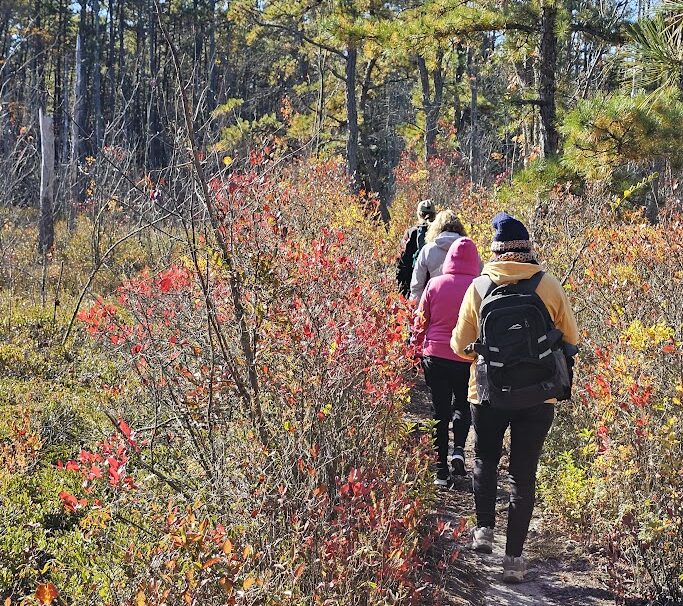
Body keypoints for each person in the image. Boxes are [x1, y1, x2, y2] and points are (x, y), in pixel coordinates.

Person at [451, 212, 579, 584]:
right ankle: (514, 561)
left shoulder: (478, 288)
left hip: (488, 393)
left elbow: (460, 346)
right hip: (540, 396)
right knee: (524, 476)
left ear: (494, 252)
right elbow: (571, 341)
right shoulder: (548, 285)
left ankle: (483, 531)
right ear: (528, 249)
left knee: (486, 458)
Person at [411, 237, 481, 488]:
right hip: (466, 356)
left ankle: (440, 471)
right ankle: (459, 451)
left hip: (435, 355)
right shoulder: (479, 287)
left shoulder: (434, 284)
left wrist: (415, 349)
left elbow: (421, 322)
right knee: (462, 404)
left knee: (439, 411)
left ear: (449, 258)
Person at [409, 209, 466, 302]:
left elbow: (417, 285)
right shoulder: (469, 248)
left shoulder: (428, 250)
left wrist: (416, 310)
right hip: (465, 304)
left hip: (434, 303)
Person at [396, 199, 436, 297]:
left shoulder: (411, 233)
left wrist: (403, 290)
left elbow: (402, 262)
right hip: (435, 289)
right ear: (434, 215)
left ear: (418, 214)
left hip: (414, 286)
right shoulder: (440, 234)